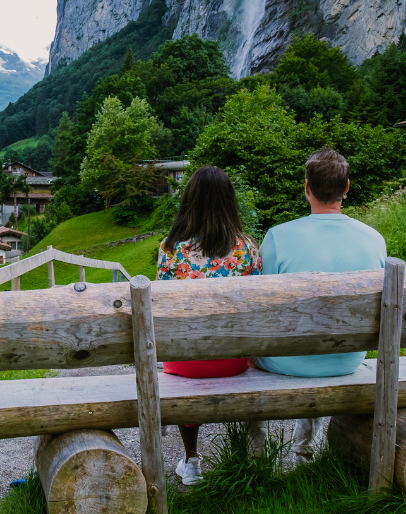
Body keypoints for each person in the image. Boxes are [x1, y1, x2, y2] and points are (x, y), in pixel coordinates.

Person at [250, 147, 387, 464]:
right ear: (347, 188)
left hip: (288, 362)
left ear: (307, 187)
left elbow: (262, 308)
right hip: (346, 359)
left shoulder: (278, 236)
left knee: (253, 351)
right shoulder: (374, 239)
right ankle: (305, 450)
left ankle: (257, 458)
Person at [156, 166, 262, 485]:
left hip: (186, 363)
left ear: (190, 201)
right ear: (230, 203)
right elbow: (257, 308)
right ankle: (250, 459)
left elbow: (160, 309)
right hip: (234, 361)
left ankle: (191, 461)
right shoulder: (247, 248)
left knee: (186, 352)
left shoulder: (171, 250)